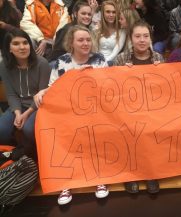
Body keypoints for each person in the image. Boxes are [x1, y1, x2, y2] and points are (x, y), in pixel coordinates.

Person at [34, 25, 109, 205]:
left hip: (95, 111)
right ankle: (65, 182)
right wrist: (42, 92)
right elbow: (54, 88)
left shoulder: (99, 60)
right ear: (71, 43)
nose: (85, 43)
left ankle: (99, 178)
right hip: (68, 112)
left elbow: (109, 89)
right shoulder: (62, 62)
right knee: (58, 133)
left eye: (88, 40)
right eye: (80, 40)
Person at [114, 20, 164, 194]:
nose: (142, 40)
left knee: (152, 129)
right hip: (127, 110)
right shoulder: (121, 59)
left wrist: (160, 74)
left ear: (150, 38)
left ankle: (151, 172)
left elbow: (165, 91)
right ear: (131, 38)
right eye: (137, 36)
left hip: (152, 109)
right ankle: (131, 174)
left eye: (145, 36)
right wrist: (122, 75)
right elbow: (113, 90)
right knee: (128, 130)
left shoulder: (158, 58)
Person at [0, 29, 51, 161]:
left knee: (29, 129)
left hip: (39, 106)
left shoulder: (42, 64)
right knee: (2, 129)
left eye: (25, 42)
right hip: (18, 106)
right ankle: (13, 156)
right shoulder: (4, 66)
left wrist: (26, 114)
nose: (22, 47)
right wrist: (17, 113)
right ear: (9, 48)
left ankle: (34, 158)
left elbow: (43, 94)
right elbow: (11, 94)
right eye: (16, 44)